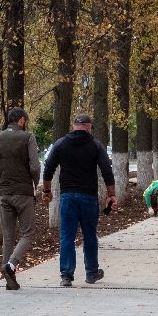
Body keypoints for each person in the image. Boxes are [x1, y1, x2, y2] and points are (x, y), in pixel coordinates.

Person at [41, 112, 115, 287]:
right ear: (89, 127)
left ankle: (66, 275)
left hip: (67, 197)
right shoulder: (96, 145)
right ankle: (91, 273)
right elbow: (106, 170)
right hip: (89, 197)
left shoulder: (61, 144)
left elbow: (48, 168)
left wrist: (46, 190)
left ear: (74, 126)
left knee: (67, 235)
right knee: (90, 235)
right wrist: (112, 194)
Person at [0, 107, 41, 291]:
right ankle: (11, 265)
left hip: (5, 194)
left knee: (8, 236)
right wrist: (34, 184)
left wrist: (2, 180)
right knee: (28, 233)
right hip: (24, 193)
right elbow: (35, 167)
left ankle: (9, 280)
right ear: (21, 121)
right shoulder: (28, 138)